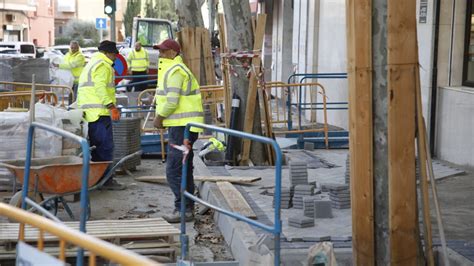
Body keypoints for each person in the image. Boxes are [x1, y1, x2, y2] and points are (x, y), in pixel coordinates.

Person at [153, 39, 204, 223]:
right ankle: (186, 209)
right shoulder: (174, 70)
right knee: (183, 169)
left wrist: (159, 117)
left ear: (173, 53)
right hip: (184, 127)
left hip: (182, 128)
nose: (160, 54)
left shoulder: (175, 71)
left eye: (163, 51)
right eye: (159, 51)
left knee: (174, 170)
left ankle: (182, 209)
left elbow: (172, 101)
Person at [77, 40, 125, 190]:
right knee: (105, 148)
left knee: (97, 148)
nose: (116, 57)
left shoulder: (92, 63)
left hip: (90, 113)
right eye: (114, 54)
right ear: (108, 53)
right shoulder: (103, 65)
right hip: (99, 113)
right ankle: (106, 181)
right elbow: (100, 88)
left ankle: (97, 180)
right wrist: (111, 107)